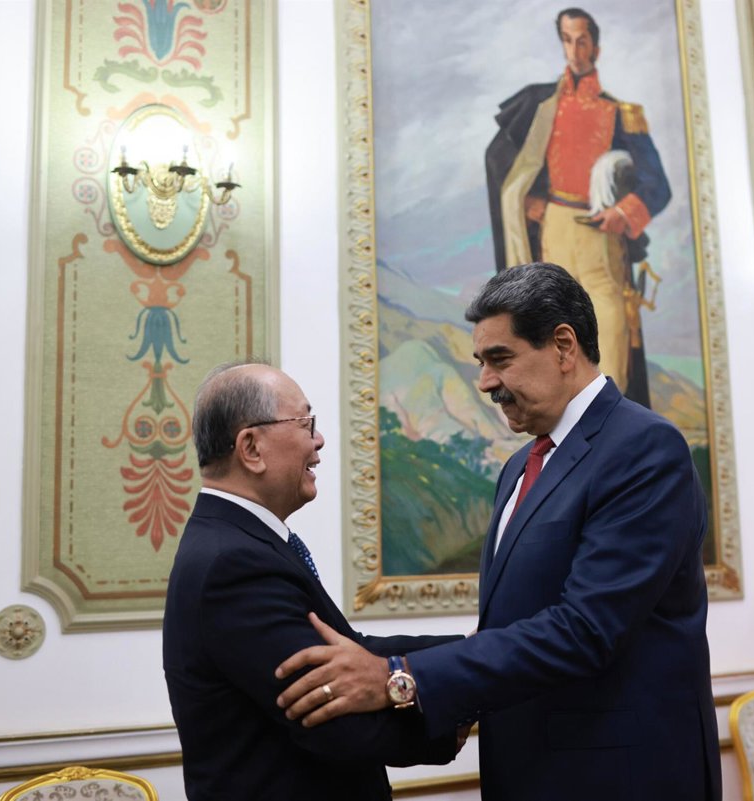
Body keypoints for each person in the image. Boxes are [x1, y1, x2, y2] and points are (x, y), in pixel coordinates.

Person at [275, 264, 720, 800]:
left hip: (621, 778)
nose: (485, 382)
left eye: (500, 359)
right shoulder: (518, 468)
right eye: (480, 363)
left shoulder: (644, 448)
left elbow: (585, 629)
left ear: (563, 346)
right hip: (528, 772)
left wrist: (401, 677)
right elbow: (513, 624)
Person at [163, 362, 463, 801]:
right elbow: (334, 720)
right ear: (251, 448)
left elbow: (349, 650)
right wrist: (455, 711)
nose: (318, 440)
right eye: (306, 423)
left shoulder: (238, 542)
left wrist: (472, 650)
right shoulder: (235, 563)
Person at [486, 7, 671, 406]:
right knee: (552, 346)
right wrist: (527, 199)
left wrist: (622, 214)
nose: (574, 49)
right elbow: (505, 160)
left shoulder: (621, 114)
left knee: (610, 339)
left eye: (582, 41)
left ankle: (612, 432)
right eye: (567, 40)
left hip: (601, 238)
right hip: (554, 233)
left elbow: (658, 185)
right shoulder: (541, 105)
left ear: (596, 48)